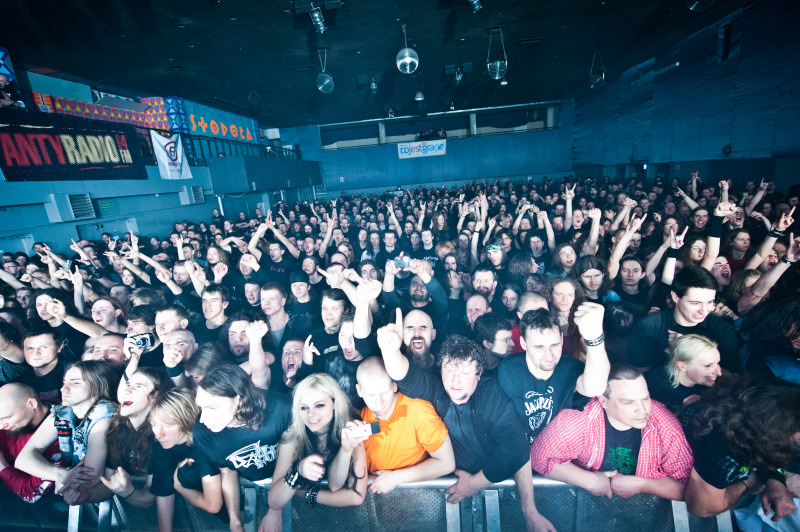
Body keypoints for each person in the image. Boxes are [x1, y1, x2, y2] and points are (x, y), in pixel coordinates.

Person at [378, 310, 556, 532]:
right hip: (453, 492)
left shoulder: (489, 393)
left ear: (479, 374)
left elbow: (515, 447)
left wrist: (474, 484)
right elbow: (406, 376)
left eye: (465, 371)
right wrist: (390, 351)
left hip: (500, 485)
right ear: (440, 370)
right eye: (450, 370)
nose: (455, 380)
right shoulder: (437, 390)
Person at [530, 364, 693, 501]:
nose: (643, 410)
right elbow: (539, 456)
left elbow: (691, 489)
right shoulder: (579, 420)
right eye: (628, 402)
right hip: (582, 505)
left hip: (643, 516)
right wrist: (590, 480)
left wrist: (641, 484)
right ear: (603, 401)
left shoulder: (665, 426)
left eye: (645, 398)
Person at [182, 364, 291, 531]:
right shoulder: (203, 433)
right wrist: (235, 519)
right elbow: (227, 471)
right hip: (250, 487)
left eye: (212, 407)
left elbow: (290, 461)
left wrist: (275, 510)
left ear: (239, 400)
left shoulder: (280, 409)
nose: (203, 419)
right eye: (201, 408)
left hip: (291, 484)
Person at [684, 375, 800, 522]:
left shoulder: (742, 405)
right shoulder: (721, 457)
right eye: (795, 434)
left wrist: (776, 482)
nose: (797, 439)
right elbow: (702, 508)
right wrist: (747, 483)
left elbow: (761, 445)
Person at [261, 374, 368, 531]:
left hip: (349, 520)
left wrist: (346, 451)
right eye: (304, 407)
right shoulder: (293, 436)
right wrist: (298, 470)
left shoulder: (350, 429)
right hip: (303, 520)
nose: (311, 415)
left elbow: (353, 495)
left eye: (319, 405)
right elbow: (275, 502)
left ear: (334, 403)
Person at [498, 304, 609, 444]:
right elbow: (512, 430)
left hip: (559, 448)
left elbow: (596, 388)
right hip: (522, 451)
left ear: (562, 339)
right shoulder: (511, 369)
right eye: (539, 347)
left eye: (554, 345)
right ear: (523, 343)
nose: (549, 355)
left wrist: (595, 338)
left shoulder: (570, 367)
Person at [16, 361, 117, 504]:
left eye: (75, 383)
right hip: (79, 488)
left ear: (98, 386)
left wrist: (64, 478)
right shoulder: (63, 412)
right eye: (64, 382)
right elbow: (22, 460)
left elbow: (90, 477)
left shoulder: (105, 415)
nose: (64, 388)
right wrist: (63, 475)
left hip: (120, 489)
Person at [356, 357, 455, 493]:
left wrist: (395, 478)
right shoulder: (358, 418)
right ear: (359, 391)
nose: (379, 402)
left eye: (384, 392)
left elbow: (447, 463)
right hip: (375, 504)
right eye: (371, 395)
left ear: (394, 385)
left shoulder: (417, 409)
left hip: (417, 498)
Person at [627, 265, 742, 372]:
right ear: (675, 297)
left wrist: (688, 348)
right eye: (695, 303)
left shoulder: (723, 329)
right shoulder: (648, 326)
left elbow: (732, 377)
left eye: (710, 302)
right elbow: (639, 373)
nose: (704, 310)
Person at [0, 383, 59, 502]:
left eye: (7, 418)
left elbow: (32, 493)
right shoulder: (14, 418)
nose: (1, 426)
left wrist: (1, 466)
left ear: (32, 404)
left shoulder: (59, 437)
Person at [645, 334, 722, 414]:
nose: (719, 373)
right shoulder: (655, 385)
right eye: (708, 366)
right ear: (682, 366)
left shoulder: (710, 385)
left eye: (718, 363)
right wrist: (683, 410)